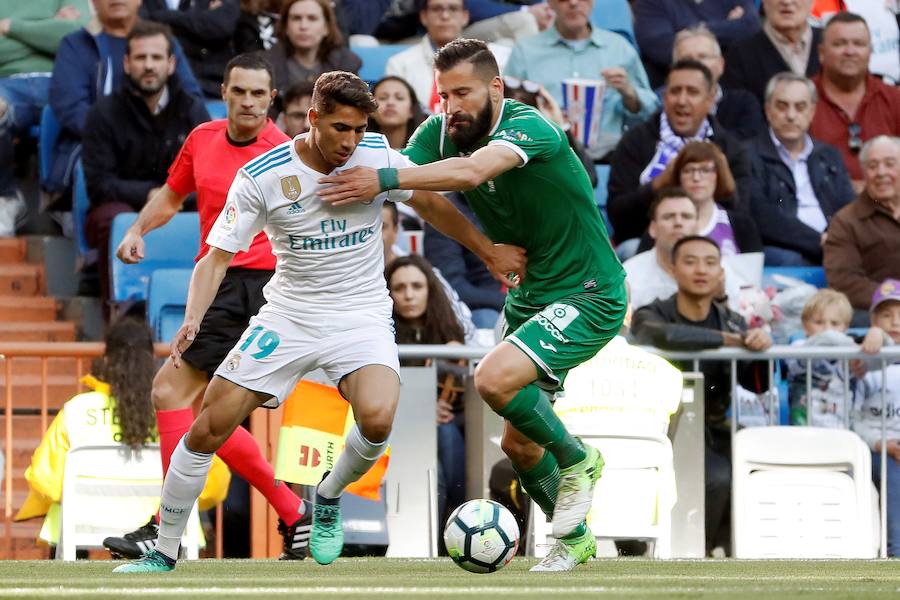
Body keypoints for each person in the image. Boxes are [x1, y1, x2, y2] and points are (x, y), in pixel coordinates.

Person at [112, 69, 524, 573]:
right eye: (339, 129)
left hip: (361, 316)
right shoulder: (264, 176)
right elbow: (216, 257)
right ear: (312, 119)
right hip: (289, 316)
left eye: (358, 129)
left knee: (376, 418)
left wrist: (486, 251)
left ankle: (326, 497)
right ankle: (164, 551)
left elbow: (433, 204)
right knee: (209, 426)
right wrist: (193, 319)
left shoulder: (375, 157)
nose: (351, 141)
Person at [318, 38, 627, 572]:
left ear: (496, 87)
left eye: (463, 92)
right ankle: (574, 537)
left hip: (589, 291)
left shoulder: (529, 127)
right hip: (531, 295)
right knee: (522, 447)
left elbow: (467, 174)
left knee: (491, 379)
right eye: (443, 94)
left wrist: (384, 178)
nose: (452, 105)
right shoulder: (441, 130)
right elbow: (411, 189)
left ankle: (580, 460)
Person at [103, 54, 310, 562]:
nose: (247, 101)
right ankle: (294, 513)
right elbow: (172, 197)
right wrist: (136, 229)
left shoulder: (284, 155)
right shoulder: (202, 139)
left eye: (257, 94)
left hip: (254, 285)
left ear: (271, 100)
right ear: (224, 90)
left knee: (169, 390)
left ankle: (166, 525)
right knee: (206, 413)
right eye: (238, 91)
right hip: (214, 282)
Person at [13, 318, 230, 553]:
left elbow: (46, 481)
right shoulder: (174, 416)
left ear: (106, 360)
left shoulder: (76, 410)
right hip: (160, 530)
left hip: (84, 523)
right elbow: (212, 484)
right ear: (153, 362)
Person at [631, 235, 772, 555]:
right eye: (690, 261)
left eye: (710, 262)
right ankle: (693, 553)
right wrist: (733, 341)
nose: (701, 270)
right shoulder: (652, 312)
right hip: (657, 426)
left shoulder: (734, 321)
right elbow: (665, 334)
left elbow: (758, 385)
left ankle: (731, 550)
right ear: (673, 270)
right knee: (716, 476)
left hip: (711, 426)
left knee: (757, 464)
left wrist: (762, 347)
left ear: (721, 273)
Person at [81, 21, 210, 304]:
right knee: (110, 219)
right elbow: (98, 184)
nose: (149, 65)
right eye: (141, 58)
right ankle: (117, 312)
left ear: (171, 63)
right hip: (122, 206)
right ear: (126, 63)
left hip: (180, 204)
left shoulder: (192, 110)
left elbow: (207, 176)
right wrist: (150, 195)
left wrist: (169, 198)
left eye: (156, 57)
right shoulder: (102, 113)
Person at [46, 0, 203, 201]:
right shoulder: (76, 44)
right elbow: (70, 108)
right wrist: (121, 134)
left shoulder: (162, 40)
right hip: (97, 151)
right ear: (93, 2)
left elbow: (190, 100)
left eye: (156, 58)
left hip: (163, 152)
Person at [607, 59, 752, 249]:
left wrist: (721, 182)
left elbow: (741, 217)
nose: (682, 101)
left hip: (712, 246)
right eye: (675, 91)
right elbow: (618, 216)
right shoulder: (635, 140)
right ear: (665, 97)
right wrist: (658, 185)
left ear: (710, 100)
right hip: (647, 244)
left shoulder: (730, 148)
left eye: (692, 92)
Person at [504, 0, 659, 159]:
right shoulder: (526, 50)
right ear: (550, 3)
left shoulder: (619, 48)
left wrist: (629, 92)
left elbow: (652, 112)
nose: (573, 2)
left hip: (608, 156)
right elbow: (507, 111)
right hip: (547, 155)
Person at [385, 254, 468, 528]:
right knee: (441, 444)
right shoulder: (380, 334)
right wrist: (419, 408)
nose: (408, 295)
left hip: (449, 422)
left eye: (417, 286)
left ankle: (456, 515)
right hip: (395, 425)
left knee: (447, 431)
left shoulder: (451, 336)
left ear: (430, 290)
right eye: (399, 288)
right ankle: (449, 524)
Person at [0, 0, 92, 235]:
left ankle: (62, 196)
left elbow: (77, 36)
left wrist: (10, 27)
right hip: (6, 84)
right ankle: (7, 199)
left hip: (62, 79)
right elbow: (63, 39)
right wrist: (49, 30)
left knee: (86, 110)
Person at [749, 72, 855, 266]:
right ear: (767, 109)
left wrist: (837, 239)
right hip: (786, 249)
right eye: (782, 106)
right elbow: (762, 216)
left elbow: (848, 207)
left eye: (800, 107)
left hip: (832, 244)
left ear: (812, 112)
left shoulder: (829, 155)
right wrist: (820, 241)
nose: (791, 116)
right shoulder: (748, 155)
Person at [809, 12, 900, 185]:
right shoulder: (802, 100)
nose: (850, 51)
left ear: (870, 52)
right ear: (821, 53)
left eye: (858, 44)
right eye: (839, 44)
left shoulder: (894, 99)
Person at [851, 278, 900, 557]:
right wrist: (881, 444)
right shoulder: (862, 362)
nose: (895, 322)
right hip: (874, 448)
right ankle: (896, 555)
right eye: (886, 315)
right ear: (873, 320)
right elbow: (853, 418)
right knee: (894, 471)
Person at [824, 136, 900, 313]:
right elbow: (844, 281)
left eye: (890, 164)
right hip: (877, 314)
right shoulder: (846, 221)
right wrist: (893, 298)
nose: (881, 172)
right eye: (872, 166)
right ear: (864, 174)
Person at [654, 141, 762, 257]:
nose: (696, 178)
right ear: (678, 177)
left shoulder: (742, 226)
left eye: (705, 170)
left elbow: (752, 271)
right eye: (688, 170)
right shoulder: (662, 223)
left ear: (718, 175)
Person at [634, 0, 761, 88]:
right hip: (674, 90)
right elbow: (659, 46)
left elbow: (751, 26)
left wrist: (690, 31)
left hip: (731, 88)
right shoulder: (650, 2)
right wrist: (727, 25)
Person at [670, 24, 764, 141]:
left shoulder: (743, 104)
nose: (696, 64)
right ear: (674, 69)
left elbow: (746, 148)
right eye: (687, 59)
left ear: (721, 64)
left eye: (703, 57)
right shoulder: (663, 109)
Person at [722, 0, 823, 107]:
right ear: (764, 2)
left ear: (812, 2)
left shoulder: (832, 43)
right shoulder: (740, 54)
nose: (787, 2)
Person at [140, 0, 240, 98]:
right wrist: (202, 18)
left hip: (214, 86)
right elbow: (142, 24)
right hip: (166, 88)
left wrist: (166, 16)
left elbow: (221, 26)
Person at [786, 288, 856, 427]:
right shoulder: (799, 345)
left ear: (846, 327)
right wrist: (825, 339)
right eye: (819, 322)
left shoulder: (850, 349)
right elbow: (797, 364)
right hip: (805, 423)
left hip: (839, 423)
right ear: (805, 326)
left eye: (835, 324)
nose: (827, 329)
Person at [624, 187, 698, 311]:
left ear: (698, 227)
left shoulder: (719, 272)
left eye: (686, 216)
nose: (678, 222)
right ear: (653, 229)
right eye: (669, 217)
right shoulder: (629, 277)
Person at [264, 0, 360, 92]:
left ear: (326, 28)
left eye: (312, 18)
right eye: (296, 18)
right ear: (286, 27)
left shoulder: (346, 64)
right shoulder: (265, 65)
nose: (303, 26)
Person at [367, 76, 427, 151]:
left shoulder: (426, 152)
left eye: (399, 98)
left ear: (411, 110)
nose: (390, 103)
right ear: (371, 110)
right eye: (383, 98)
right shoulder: (359, 150)